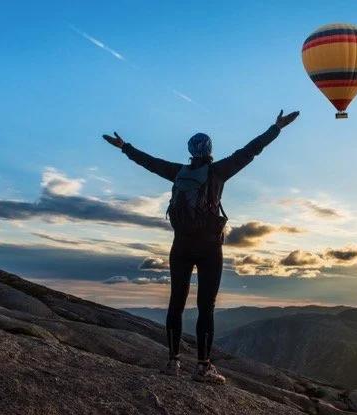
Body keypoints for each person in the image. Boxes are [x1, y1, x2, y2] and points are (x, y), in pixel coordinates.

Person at [102, 110, 299, 384]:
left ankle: (172, 362)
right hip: (209, 248)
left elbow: (149, 162)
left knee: (176, 303)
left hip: (180, 246)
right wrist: (277, 127)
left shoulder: (177, 172)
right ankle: (204, 367)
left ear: (190, 151)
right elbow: (251, 150)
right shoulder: (218, 172)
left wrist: (125, 147)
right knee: (206, 306)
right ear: (210, 150)